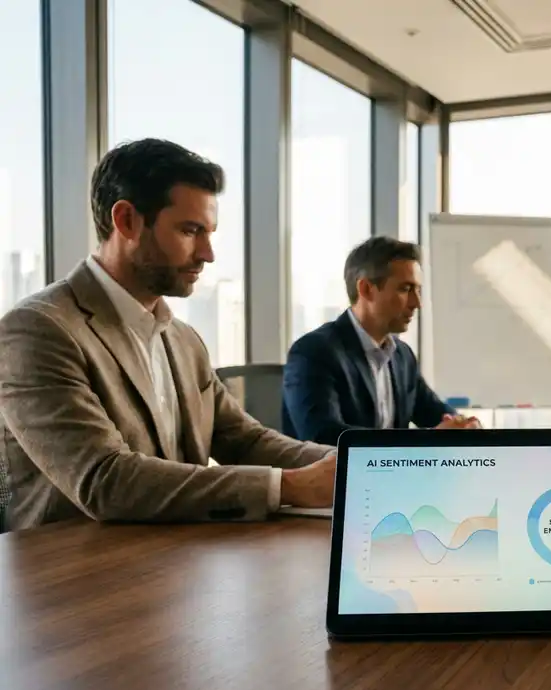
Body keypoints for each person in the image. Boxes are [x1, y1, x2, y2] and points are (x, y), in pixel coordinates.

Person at [0, 138, 336, 530]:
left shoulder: (183, 339)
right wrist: (290, 487)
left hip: (172, 562)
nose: (208, 253)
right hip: (73, 577)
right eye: (191, 231)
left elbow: (244, 440)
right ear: (126, 221)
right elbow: (104, 480)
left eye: (209, 233)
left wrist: (362, 463)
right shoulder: (38, 331)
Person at [282, 236, 479, 446]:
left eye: (418, 290)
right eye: (405, 289)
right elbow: (323, 436)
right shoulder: (314, 352)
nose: (417, 303)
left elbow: (434, 412)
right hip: (331, 477)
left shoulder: (402, 355)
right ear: (366, 289)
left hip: (389, 477)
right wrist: (428, 438)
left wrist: (464, 426)